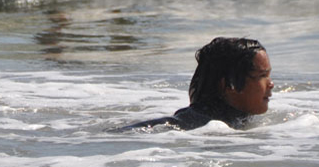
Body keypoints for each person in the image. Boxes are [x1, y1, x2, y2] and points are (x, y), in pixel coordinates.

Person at [113, 37, 273, 132]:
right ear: (229, 85)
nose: (271, 84)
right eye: (262, 76)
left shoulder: (233, 120)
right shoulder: (203, 128)